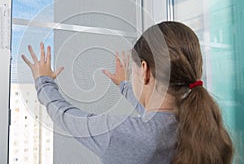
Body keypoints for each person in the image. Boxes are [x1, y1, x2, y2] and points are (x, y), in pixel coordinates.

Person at [22, 21, 233, 164]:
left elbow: (64, 115)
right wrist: (124, 86)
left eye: (134, 71)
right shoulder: (202, 127)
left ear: (145, 70)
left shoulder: (117, 133)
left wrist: (43, 81)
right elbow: (154, 116)